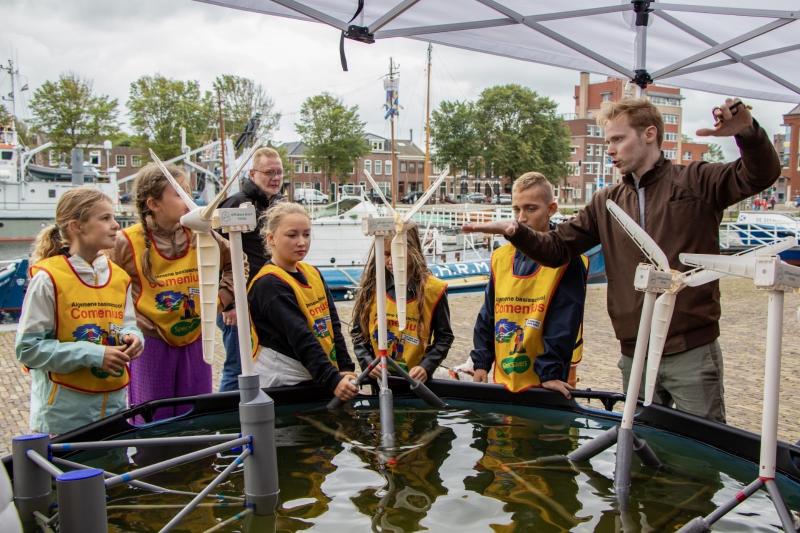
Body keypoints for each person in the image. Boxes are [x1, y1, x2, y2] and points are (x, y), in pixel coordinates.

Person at [464, 97, 781, 422]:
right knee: (641, 452)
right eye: (607, 142)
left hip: (690, 349)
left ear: (649, 134)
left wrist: (748, 134)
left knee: (699, 456)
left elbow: (760, 175)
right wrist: (515, 231)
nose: (610, 150)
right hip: (634, 351)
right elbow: (557, 249)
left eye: (618, 139)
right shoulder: (607, 202)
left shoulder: (696, 182)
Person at [112, 163, 237, 421]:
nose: (190, 201)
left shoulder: (200, 234)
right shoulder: (125, 242)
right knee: (154, 421)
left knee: (197, 417)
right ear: (154, 204)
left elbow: (236, 262)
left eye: (190, 193)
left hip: (195, 341)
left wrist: (219, 300)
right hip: (151, 345)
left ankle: (198, 462)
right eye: (180, 194)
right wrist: (127, 323)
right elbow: (105, 286)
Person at [16, 188, 144, 435]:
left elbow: (126, 323)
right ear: (76, 226)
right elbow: (28, 349)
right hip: (63, 418)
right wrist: (93, 354)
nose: (116, 225)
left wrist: (134, 337)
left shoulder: (119, 277)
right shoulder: (48, 279)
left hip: (114, 410)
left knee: (114, 472)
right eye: (105, 218)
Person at [469, 172, 587, 399]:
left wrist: (550, 373)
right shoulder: (501, 257)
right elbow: (488, 314)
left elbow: (565, 321)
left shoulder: (567, 259)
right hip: (503, 377)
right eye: (516, 209)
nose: (521, 218)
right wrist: (482, 362)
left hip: (544, 382)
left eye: (531, 209)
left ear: (551, 209)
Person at [247, 202, 358, 401]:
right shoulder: (269, 284)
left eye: (306, 234)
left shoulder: (312, 272)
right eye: (292, 235)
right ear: (271, 238)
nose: (301, 242)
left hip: (316, 373)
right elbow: (300, 336)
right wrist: (332, 379)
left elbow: (333, 325)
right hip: (286, 383)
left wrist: (345, 367)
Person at [216, 146, 285, 391]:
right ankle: (226, 419)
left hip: (264, 299)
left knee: (258, 363)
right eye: (269, 172)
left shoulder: (277, 205)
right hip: (239, 301)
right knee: (237, 366)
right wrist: (229, 302)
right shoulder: (235, 204)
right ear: (253, 174)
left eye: (279, 172)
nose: (275, 178)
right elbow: (214, 253)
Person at [350, 225, 454, 383]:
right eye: (386, 254)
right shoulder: (372, 287)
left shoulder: (434, 290)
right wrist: (368, 363)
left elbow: (444, 337)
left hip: (416, 381)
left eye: (398, 254)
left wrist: (426, 366)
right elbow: (358, 333)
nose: (391, 261)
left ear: (413, 251)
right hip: (379, 379)